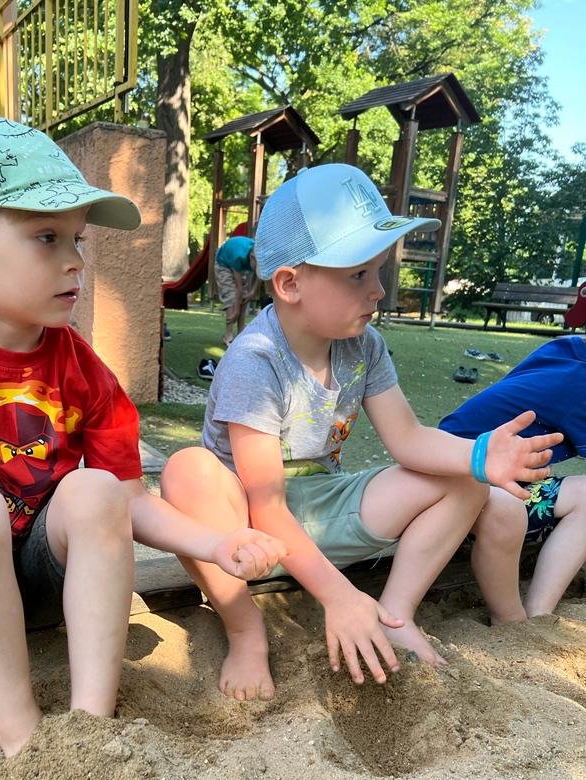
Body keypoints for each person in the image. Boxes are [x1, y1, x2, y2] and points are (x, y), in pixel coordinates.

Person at [0, 116, 285, 757]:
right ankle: (23, 738)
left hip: (46, 580)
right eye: (46, 237)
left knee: (96, 489)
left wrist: (216, 540)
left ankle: (89, 731)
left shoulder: (82, 368)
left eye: (77, 239)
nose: (75, 262)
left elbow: (130, 500)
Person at [160, 164, 562, 702]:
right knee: (187, 470)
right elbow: (267, 505)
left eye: (378, 271)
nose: (379, 290)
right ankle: (246, 632)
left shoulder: (363, 344)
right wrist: (340, 597)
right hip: (244, 530)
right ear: (290, 284)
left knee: (465, 478)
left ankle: (395, 613)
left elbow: (408, 438)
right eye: (357, 275)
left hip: (322, 509)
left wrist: (481, 455)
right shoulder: (256, 359)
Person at [439, 334, 586, 620]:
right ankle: (535, 614)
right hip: (467, 485)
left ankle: (537, 615)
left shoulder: (567, 350)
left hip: (457, 466)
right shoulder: (580, 383)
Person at [214, 234, 259, 345]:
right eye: (257, 266)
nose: (258, 268)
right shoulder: (238, 256)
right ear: (252, 257)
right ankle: (228, 335)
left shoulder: (260, 255)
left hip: (240, 265)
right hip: (223, 263)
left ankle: (240, 333)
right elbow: (239, 289)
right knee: (231, 295)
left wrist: (252, 292)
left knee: (245, 297)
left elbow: (261, 275)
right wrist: (236, 312)